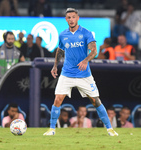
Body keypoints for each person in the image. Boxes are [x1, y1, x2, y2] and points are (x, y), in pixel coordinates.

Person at [43, 8, 118, 136]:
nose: (71, 19)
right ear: (66, 19)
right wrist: (55, 65)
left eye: (73, 17)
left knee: (95, 100)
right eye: (69, 17)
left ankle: (110, 129)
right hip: (67, 73)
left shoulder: (86, 33)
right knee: (58, 99)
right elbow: (60, 50)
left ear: (77, 18)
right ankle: (51, 129)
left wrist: (85, 60)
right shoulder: (63, 35)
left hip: (84, 74)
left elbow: (94, 51)